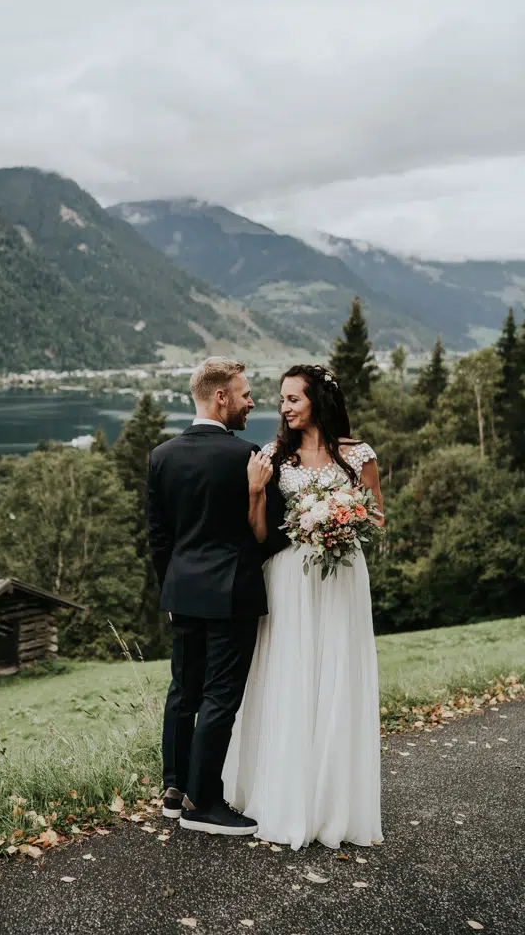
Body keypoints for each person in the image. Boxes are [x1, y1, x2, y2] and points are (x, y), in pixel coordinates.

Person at [223, 363, 385, 850]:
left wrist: (341, 521)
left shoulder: (358, 455)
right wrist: (254, 492)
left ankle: (334, 801)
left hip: (342, 578)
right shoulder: (273, 455)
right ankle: (283, 795)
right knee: (289, 675)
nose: (284, 407)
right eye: (281, 399)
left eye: (294, 398)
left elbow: (377, 518)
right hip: (291, 577)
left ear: (318, 399)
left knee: (337, 675)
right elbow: (259, 532)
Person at [147, 357, 286, 836]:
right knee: (220, 698)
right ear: (220, 397)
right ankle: (204, 803)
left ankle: (173, 790)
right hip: (232, 595)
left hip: (183, 593)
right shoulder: (250, 457)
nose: (252, 402)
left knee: (183, 692)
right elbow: (271, 539)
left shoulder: (161, 456)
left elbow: (159, 538)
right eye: (245, 394)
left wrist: (174, 590)